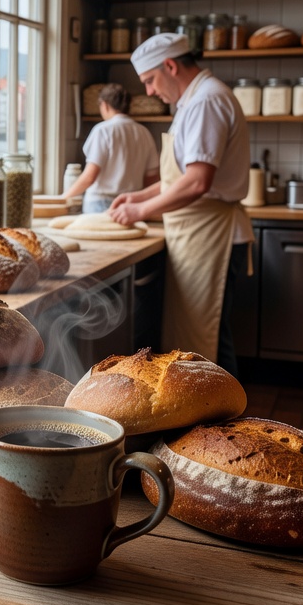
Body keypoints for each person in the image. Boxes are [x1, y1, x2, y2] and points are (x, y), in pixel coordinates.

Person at [109, 32, 252, 375]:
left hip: (211, 235)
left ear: (170, 66)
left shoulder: (206, 101)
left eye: (150, 80)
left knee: (209, 340)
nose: (149, 91)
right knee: (201, 338)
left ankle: (225, 422)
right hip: (198, 233)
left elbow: (198, 181)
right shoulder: (194, 100)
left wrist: (140, 211)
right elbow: (182, 176)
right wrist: (140, 195)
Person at [58, 83, 160, 213]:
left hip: (99, 203)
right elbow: (151, 178)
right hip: (129, 205)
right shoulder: (144, 132)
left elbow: (90, 176)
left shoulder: (103, 130)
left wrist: (64, 198)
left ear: (104, 105)